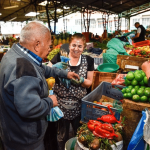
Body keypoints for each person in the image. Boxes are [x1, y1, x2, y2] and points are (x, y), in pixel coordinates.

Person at [0, 21, 79, 150]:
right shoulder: (24, 69)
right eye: (49, 46)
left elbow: (40, 69)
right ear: (37, 45)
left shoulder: (13, 55)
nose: (50, 49)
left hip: (10, 130)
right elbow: (29, 108)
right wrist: (49, 102)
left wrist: (64, 73)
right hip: (24, 140)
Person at [47, 33, 94, 150]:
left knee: (79, 135)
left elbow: (89, 82)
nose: (76, 49)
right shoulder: (59, 57)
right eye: (74, 45)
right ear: (69, 45)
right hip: (60, 104)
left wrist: (82, 80)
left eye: (80, 46)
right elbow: (47, 73)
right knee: (61, 135)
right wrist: (54, 68)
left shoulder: (88, 60)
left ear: (83, 48)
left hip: (79, 106)